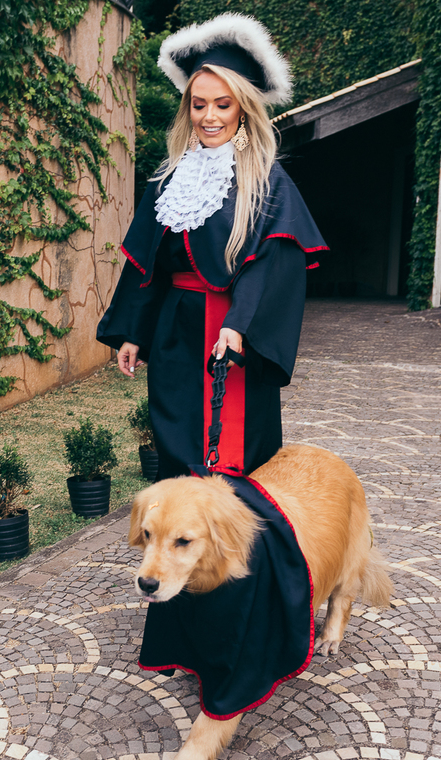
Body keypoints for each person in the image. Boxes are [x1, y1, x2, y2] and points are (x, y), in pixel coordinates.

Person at [97, 14, 327, 480]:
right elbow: (149, 265)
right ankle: (186, 545)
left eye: (222, 104)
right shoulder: (168, 179)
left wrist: (239, 325)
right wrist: (134, 332)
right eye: (199, 105)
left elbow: (271, 264)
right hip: (173, 334)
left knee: (232, 451)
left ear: (242, 108)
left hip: (231, 334)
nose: (209, 116)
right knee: (178, 444)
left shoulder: (266, 181)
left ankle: (236, 547)